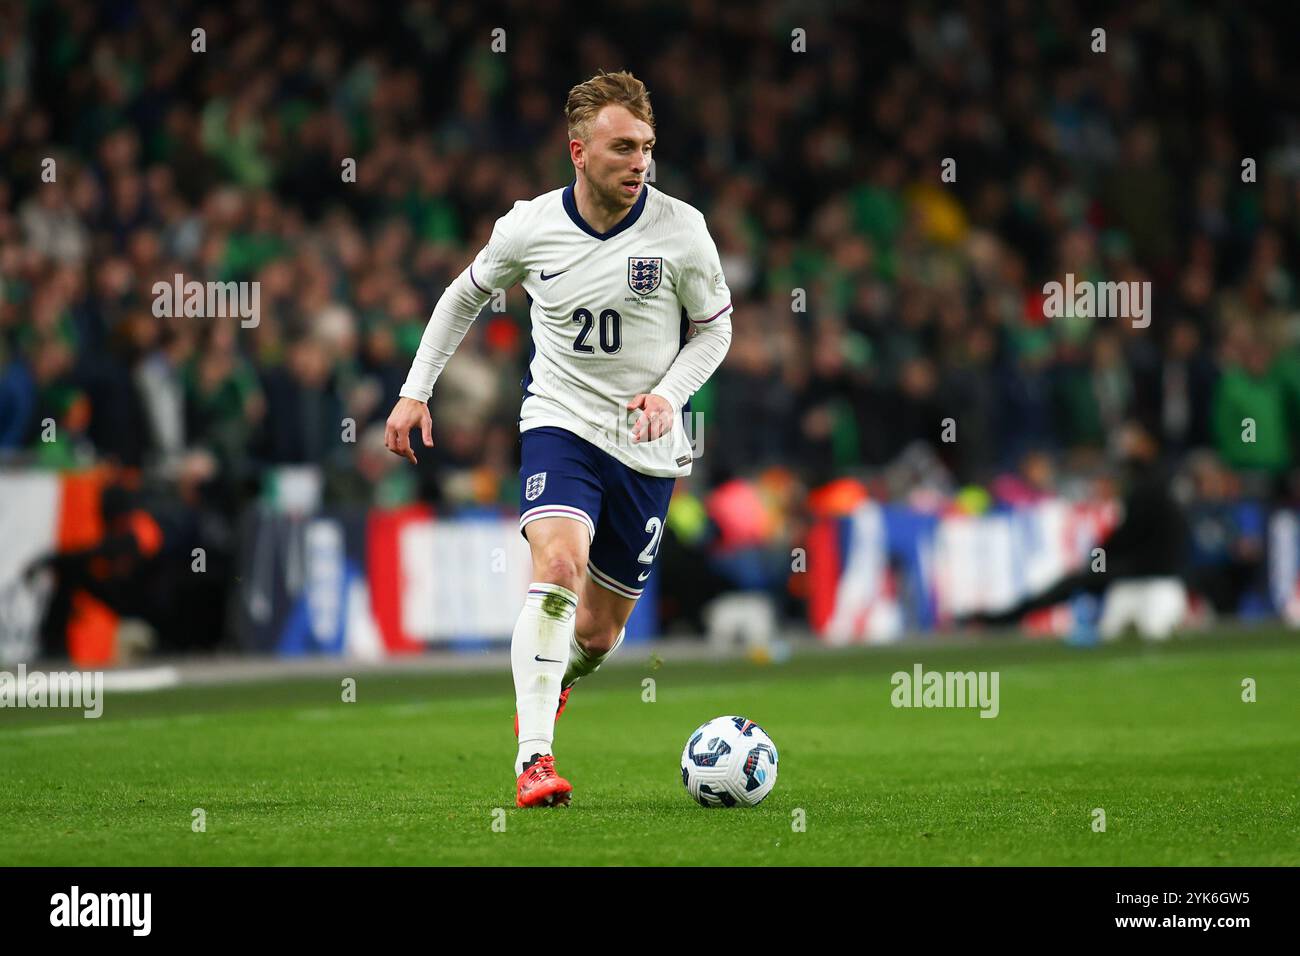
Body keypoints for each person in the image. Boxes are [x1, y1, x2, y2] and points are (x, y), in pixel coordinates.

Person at [383, 71, 733, 807]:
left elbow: (714, 328)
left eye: (646, 147)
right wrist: (416, 392)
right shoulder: (530, 227)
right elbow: (463, 295)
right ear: (578, 151)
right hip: (560, 423)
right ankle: (534, 758)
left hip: (645, 446)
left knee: (600, 637)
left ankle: (549, 682)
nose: (639, 162)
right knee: (560, 564)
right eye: (621, 148)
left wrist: (668, 394)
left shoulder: (681, 230)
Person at [960, 422, 1190, 641]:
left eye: (1132, 440)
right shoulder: (1156, 480)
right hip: (1148, 565)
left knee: (1073, 583)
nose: (1125, 445)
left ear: (1147, 445)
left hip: (1146, 568)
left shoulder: (1149, 484)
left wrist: (1098, 558)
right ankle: (1006, 617)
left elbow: (1127, 535)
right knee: (1078, 582)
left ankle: (1005, 618)